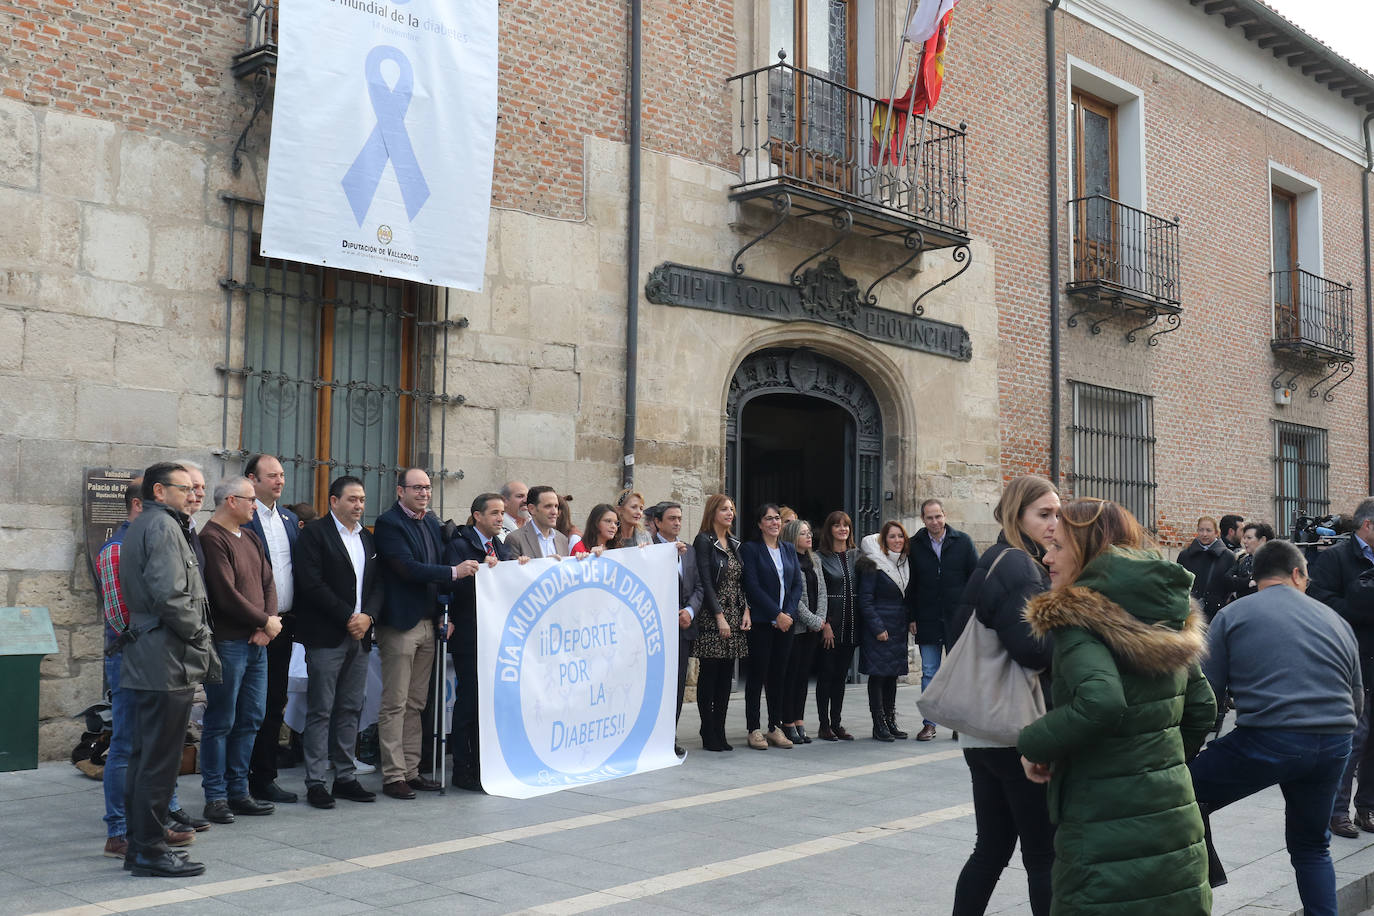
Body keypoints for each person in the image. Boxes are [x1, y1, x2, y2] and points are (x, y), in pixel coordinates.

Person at [1019, 498, 1214, 915]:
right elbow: (1202, 705)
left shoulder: (1076, 619)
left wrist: (1034, 743)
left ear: (1089, 550)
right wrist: (1155, 760)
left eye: (1057, 546)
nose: (1046, 558)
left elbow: (1102, 702)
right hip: (1174, 822)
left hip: (1104, 829)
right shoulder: (1166, 611)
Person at [1190, 539, 1361, 916]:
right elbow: (1357, 698)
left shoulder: (1233, 615)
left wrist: (1189, 749)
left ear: (1255, 576)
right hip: (1335, 742)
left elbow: (1207, 694)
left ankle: (1196, 890)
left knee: (1177, 795)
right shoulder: (1335, 620)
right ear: (1299, 573)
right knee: (1313, 847)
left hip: (1268, 738)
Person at [949, 475, 1059, 916]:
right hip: (1016, 731)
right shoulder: (1020, 566)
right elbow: (1033, 651)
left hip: (984, 728)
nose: (1055, 523)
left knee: (991, 849)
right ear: (1018, 516)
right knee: (1043, 855)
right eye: (1044, 514)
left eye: (1057, 514)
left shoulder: (994, 558)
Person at [118, 462, 218, 877]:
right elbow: (170, 595)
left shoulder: (153, 523)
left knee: (147, 759)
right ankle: (150, 851)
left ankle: (142, 846)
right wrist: (199, 635)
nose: (192, 495)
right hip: (165, 658)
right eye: (184, 488)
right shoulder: (161, 526)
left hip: (156, 655)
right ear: (160, 491)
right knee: (158, 762)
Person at [97, 478, 201, 859]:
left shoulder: (160, 539)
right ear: (141, 505)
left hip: (160, 656)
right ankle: (119, 831)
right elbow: (121, 616)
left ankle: (157, 822)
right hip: (133, 657)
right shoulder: (116, 550)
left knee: (160, 746)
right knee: (127, 743)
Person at [372, 468, 467, 800]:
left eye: (427, 487)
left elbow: (437, 572)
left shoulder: (430, 521)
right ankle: (393, 774)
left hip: (429, 622)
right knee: (395, 703)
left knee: (417, 702)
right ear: (401, 491)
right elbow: (406, 567)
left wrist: (447, 612)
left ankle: (411, 771)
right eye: (417, 488)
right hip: (400, 624)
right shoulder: (388, 523)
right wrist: (454, 571)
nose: (424, 493)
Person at [292, 475, 382, 809]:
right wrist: (349, 616)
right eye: (352, 499)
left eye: (362, 499)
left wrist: (368, 616)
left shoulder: (366, 539)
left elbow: (378, 584)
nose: (359, 505)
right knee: (321, 709)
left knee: (350, 707)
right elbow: (311, 584)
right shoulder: (315, 535)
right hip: (328, 635)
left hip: (360, 636)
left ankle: (345, 776)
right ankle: (316, 781)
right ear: (333, 501)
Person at [198, 477, 282, 824]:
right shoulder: (211, 538)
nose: (254, 505)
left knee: (251, 718)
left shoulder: (249, 537)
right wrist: (264, 621)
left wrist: (269, 622)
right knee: (221, 720)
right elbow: (225, 594)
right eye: (250, 499)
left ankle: (239, 790)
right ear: (231, 500)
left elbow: (268, 581)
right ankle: (215, 796)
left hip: (257, 642)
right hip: (229, 642)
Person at [442, 492, 522, 791]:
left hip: (496, 636)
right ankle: (463, 768)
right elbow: (451, 584)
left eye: (502, 513)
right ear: (477, 516)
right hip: (470, 634)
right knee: (470, 702)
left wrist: (520, 566)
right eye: (495, 513)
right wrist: (478, 571)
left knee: (490, 703)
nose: (501, 518)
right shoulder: (460, 545)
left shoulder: (501, 546)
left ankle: (485, 763)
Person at [1308, 496, 1374, 838]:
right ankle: (1337, 812)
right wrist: (1358, 606)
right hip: (1353, 661)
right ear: (1368, 525)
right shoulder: (1335, 557)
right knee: (1353, 739)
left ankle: (1367, 808)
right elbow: (1319, 601)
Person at [241, 454, 300, 805]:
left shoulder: (290, 520)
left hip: (284, 624)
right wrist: (259, 618)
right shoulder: (245, 521)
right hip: (253, 626)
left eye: (282, 475)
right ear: (252, 479)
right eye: (271, 476)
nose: (279, 481)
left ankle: (266, 777)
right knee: (250, 705)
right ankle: (240, 778)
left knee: (275, 702)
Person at [907, 498, 980, 741]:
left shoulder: (963, 542)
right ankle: (930, 723)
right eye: (930, 517)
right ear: (923, 519)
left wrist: (972, 614)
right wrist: (912, 616)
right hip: (927, 617)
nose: (935, 521)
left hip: (957, 618)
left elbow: (976, 579)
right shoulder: (915, 545)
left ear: (945, 515)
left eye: (938, 516)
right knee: (929, 672)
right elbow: (912, 584)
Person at [740, 503, 802, 750]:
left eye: (777, 518)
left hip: (785, 624)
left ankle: (774, 727)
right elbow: (752, 587)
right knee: (757, 675)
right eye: (769, 519)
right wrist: (776, 614)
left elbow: (796, 584)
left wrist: (787, 613)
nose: (775, 523)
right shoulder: (751, 549)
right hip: (763, 623)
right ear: (759, 524)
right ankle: (753, 728)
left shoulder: (788, 549)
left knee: (779, 676)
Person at [692, 494, 750, 751]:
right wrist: (719, 617)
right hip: (713, 615)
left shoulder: (735, 543)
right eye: (724, 509)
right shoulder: (704, 540)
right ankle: (708, 729)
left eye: (732, 509)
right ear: (712, 512)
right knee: (710, 674)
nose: (729, 513)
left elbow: (740, 581)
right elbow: (705, 580)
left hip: (735, 614)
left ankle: (720, 728)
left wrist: (747, 609)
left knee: (726, 676)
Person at [856, 521, 912, 742]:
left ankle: (890, 720)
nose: (897, 540)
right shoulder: (874, 564)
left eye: (900, 536)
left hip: (898, 626)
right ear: (883, 541)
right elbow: (866, 600)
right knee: (878, 676)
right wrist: (878, 627)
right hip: (879, 627)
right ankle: (878, 723)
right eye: (892, 537)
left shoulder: (904, 563)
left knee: (892, 676)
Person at [655, 501, 703, 757]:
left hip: (683, 628)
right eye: (671, 518)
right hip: (657, 631)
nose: (676, 522)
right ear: (658, 522)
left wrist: (690, 611)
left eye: (679, 518)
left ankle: (670, 735)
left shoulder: (690, 551)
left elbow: (698, 587)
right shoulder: (648, 549)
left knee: (677, 684)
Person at [780, 518, 825, 745]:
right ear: (792, 537)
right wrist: (810, 619)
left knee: (803, 678)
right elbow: (793, 597)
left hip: (813, 628)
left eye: (809, 532)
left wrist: (819, 620)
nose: (809, 537)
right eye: (803, 533)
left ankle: (799, 720)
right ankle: (787, 722)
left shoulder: (814, 559)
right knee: (792, 676)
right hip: (796, 628)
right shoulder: (788, 561)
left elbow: (823, 591)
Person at [815, 511, 859, 742]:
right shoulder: (820, 557)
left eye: (846, 525)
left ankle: (837, 722)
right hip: (831, 624)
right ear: (829, 529)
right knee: (827, 675)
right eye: (837, 525)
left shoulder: (856, 555)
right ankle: (824, 725)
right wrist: (825, 624)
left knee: (841, 676)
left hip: (852, 625)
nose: (842, 529)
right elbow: (819, 593)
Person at [1177, 515, 1238, 621]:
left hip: (1218, 612)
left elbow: (1231, 585)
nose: (1204, 534)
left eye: (1208, 530)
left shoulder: (1228, 557)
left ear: (1216, 532)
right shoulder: (1185, 555)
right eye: (1201, 530)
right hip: (1190, 611)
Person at [505, 485, 571, 558]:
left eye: (556, 506)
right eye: (548, 506)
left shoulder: (562, 539)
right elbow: (511, 568)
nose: (554, 512)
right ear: (532, 509)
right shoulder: (515, 539)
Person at [1226, 521, 1274, 602]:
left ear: (1262, 540)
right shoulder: (1241, 558)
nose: (1244, 541)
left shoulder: (1272, 561)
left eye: (1249, 538)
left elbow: (1258, 588)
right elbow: (1227, 580)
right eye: (1244, 537)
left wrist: (1238, 585)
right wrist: (1248, 582)